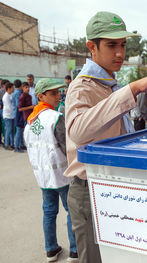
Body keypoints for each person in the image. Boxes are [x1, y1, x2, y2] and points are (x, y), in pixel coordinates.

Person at [64, 11, 147, 263]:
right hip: (88, 190)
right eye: (112, 45)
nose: (120, 53)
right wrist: (134, 88)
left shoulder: (108, 83)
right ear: (92, 47)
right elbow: (79, 131)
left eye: (123, 45)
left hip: (113, 188)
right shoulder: (82, 86)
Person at [24, 78, 78, 262]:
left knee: (48, 211)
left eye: (58, 92)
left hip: (43, 177)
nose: (58, 96)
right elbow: (66, 147)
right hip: (62, 175)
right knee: (71, 210)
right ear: (41, 96)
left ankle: (51, 249)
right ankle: (74, 250)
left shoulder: (30, 122)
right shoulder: (55, 118)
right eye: (53, 93)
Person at [12, 79, 25, 152]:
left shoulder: (17, 92)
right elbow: (18, 105)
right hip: (18, 113)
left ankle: (21, 145)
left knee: (20, 129)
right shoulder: (18, 93)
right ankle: (17, 146)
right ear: (21, 86)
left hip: (18, 113)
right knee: (19, 130)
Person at [3, 82, 15, 150]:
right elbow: (9, 107)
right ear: (9, 88)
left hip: (11, 115)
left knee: (12, 130)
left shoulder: (10, 94)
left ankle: (11, 144)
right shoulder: (6, 96)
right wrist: (14, 111)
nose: (13, 89)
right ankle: (6, 144)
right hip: (8, 116)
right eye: (12, 88)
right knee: (8, 130)